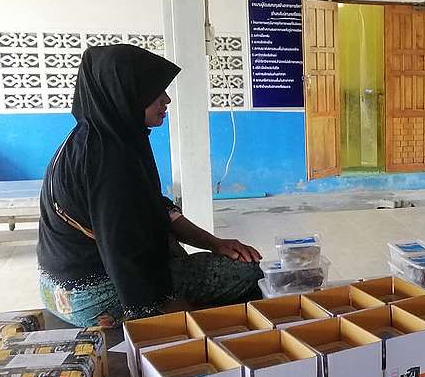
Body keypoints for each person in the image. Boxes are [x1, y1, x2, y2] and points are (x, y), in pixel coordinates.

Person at [37, 44, 263, 328]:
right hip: (91, 293)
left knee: (174, 249)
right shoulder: (108, 159)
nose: (166, 100)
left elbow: (155, 208)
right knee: (244, 273)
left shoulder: (98, 136)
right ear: (125, 93)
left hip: (58, 286)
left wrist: (216, 243)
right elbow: (123, 249)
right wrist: (169, 314)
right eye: (155, 93)